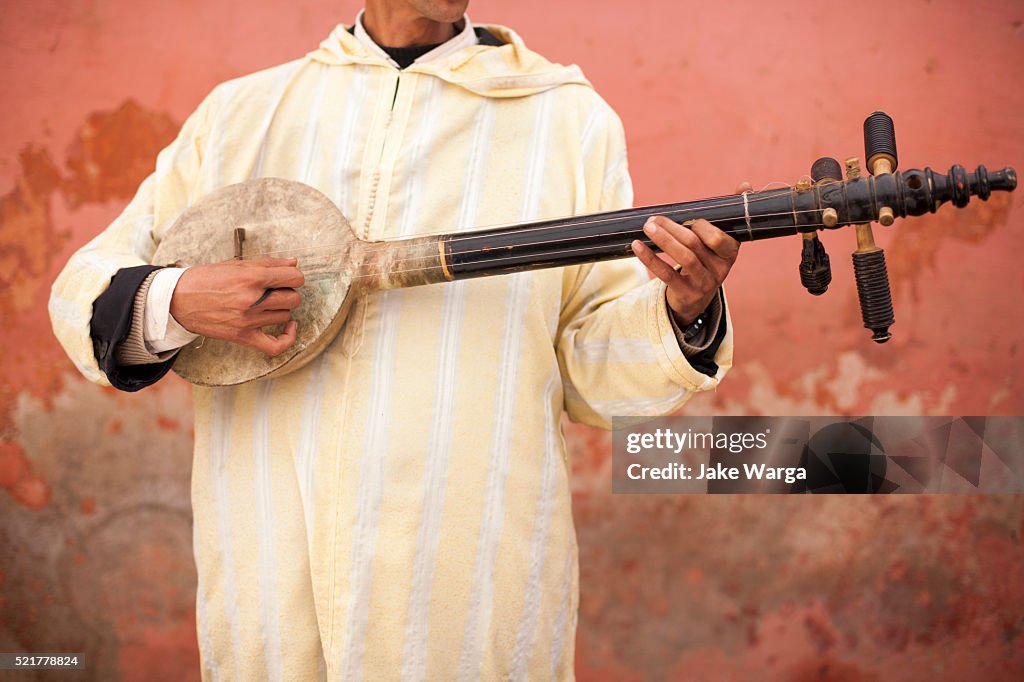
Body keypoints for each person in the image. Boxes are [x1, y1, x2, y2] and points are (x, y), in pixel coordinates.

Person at [50, 0, 738, 678]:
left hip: (464, 574)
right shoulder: (242, 116)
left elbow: (593, 370)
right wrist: (177, 299)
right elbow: (87, 289)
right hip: (270, 556)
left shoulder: (564, 119)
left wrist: (682, 313)